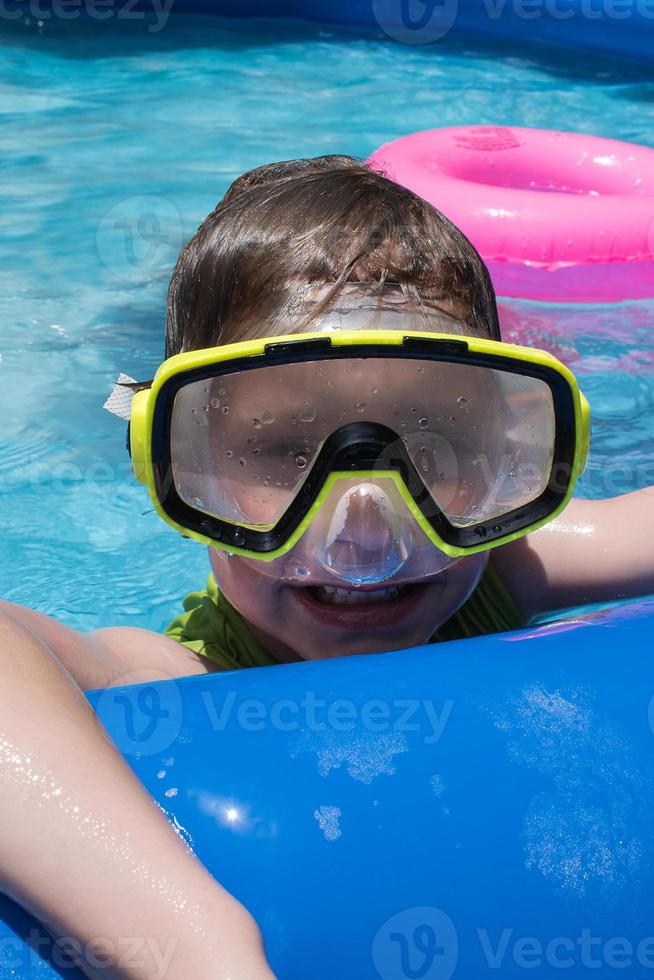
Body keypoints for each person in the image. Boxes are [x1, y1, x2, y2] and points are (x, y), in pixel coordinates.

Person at [1, 155, 652, 978]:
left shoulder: (500, 573)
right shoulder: (181, 676)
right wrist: (195, 945)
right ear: (179, 465)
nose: (365, 537)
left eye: (437, 444)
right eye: (284, 452)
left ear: (506, 461)